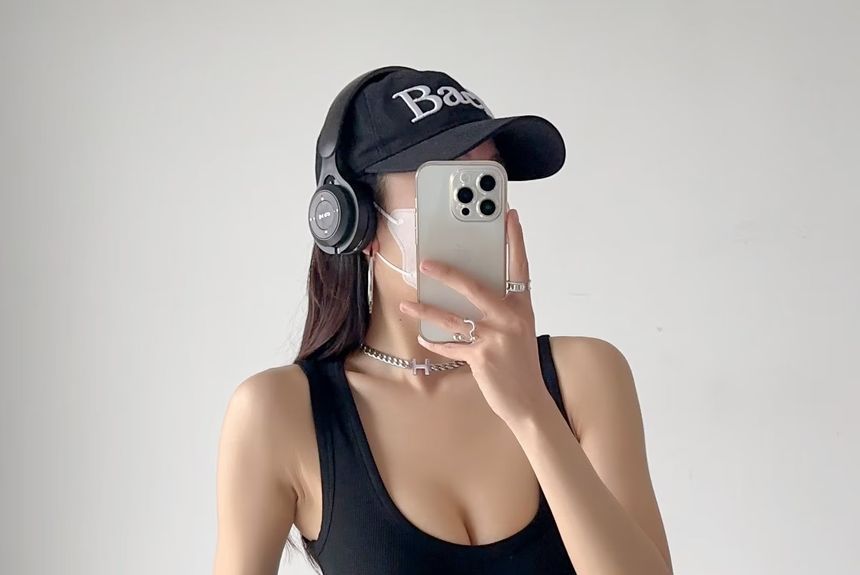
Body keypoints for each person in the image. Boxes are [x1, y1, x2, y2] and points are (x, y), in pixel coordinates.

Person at [213, 67, 673, 575]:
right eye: (448, 182)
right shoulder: (281, 414)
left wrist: (532, 409)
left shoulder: (585, 376)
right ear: (355, 222)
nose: (474, 209)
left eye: (487, 180)